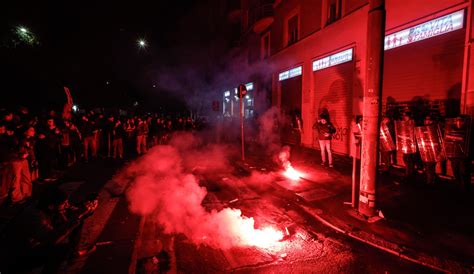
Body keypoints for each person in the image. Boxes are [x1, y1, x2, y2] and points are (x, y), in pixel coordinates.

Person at [0, 186, 98, 273]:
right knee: (61, 250)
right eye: (64, 203)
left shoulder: (46, 207)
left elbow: (71, 215)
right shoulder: (35, 216)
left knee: (75, 220)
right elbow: (52, 240)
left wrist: (86, 211)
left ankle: (74, 253)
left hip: (31, 246)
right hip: (15, 257)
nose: (67, 205)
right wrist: (77, 216)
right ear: (51, 206)